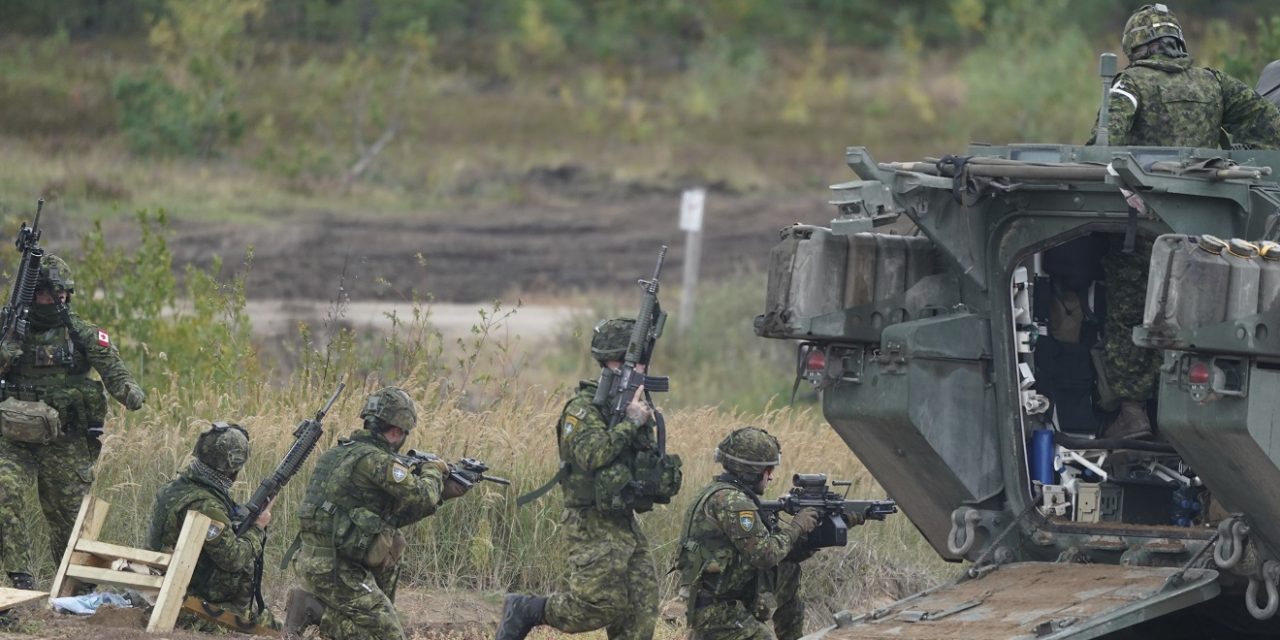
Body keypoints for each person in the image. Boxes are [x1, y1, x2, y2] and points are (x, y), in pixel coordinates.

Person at [498, 317, 682, 640]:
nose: (643, 367)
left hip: (623, 521)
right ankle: (527, 608)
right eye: (636, 360)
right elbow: (592, 454)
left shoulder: (629, 406)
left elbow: (641, 464)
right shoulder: (583, 409)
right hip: (589, 521)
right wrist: (629, 423)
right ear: (614, 362)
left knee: (642, 603)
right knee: (598, 605)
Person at [0, 254, 145, 592]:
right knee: (4, 492)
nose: (58, 301)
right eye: (51, 295)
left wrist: (129, 391)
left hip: (65, 442)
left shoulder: (80, 332)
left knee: (70, 518)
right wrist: (7, 350)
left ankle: (77, 591)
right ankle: (20, 582)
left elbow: (113, 368)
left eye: (63, 295)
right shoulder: (7, 329)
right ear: (33, 295)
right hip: (13, 439)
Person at [283, 386, 468, 640]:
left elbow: (391, 518)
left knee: (391, 547)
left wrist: (443, 495)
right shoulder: (377, 461)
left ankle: (344, 610)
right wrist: (433, 470)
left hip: (317, 560)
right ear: (395, 431)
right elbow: (423, 494)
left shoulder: (338, 453)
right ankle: (314, 611)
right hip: (338, 570)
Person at [674, 427, 820, 640]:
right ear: (752, 472)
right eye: (768, 471)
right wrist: (797, 526)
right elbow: (765, 555)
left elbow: (783, 554)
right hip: (717, 613)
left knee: (788, 572)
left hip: (721, 602)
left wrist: (831, 527)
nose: (770, 478)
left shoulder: (721, 493)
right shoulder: (734, 503)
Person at [146, 422, 278, 632]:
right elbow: (233, 559)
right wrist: (258, 528)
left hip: (164, 589)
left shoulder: (175, 488)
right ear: (233, 467)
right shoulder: (206, 505)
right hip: (189, 604)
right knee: (271, 629)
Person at [1097, 3, 1280, 149]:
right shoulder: (1214, 81)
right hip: (1212, 193)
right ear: (1178, 41)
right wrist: (1242, 158)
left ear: (1133, 45)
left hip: (1142, 193)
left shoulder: (1129, 83)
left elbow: (1104, 144)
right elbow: (1270, 120)